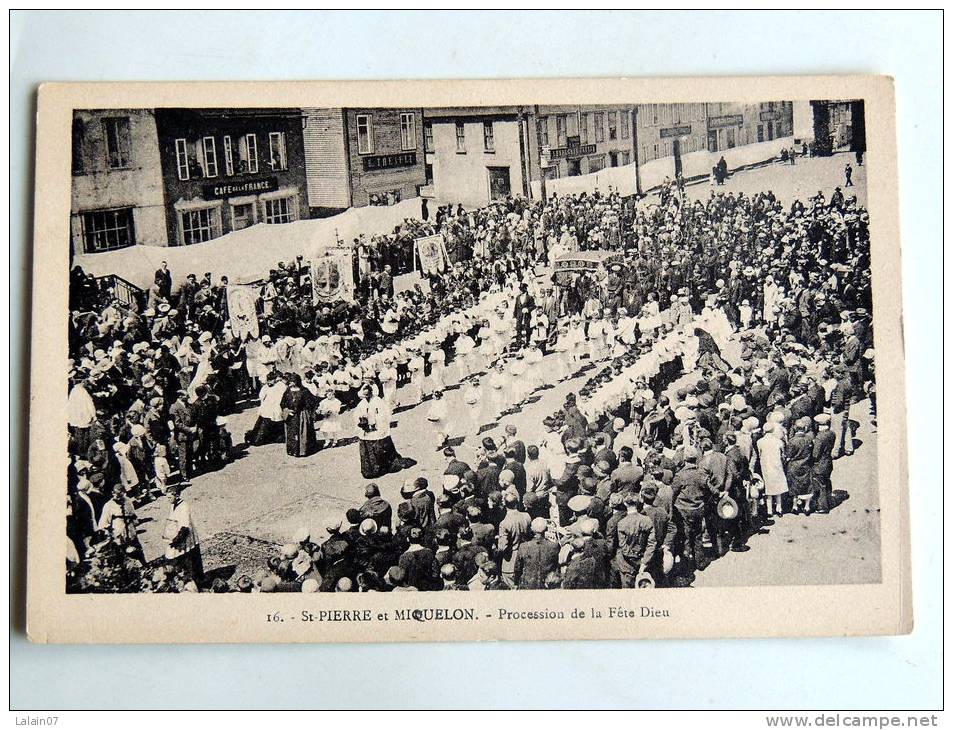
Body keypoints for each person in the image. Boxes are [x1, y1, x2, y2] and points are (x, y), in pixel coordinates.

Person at [354, 383, 404, 479]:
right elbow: (356, 415)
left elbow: (385, 415)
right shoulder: (362, 403)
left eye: (368, 395)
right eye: (365, 396)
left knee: (381, 448)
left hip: (377, 429)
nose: (367, 397)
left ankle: (385, 467)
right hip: (366, 430)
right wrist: (361, 420)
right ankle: (372, 470)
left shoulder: (378, 401)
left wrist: (375, 422)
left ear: (371, 393)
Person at [162, 483, 204, 586]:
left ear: (176, 496)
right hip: (176, 534)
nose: (168, 499)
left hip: (185, 535)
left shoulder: (184, 506)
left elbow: (185, 526)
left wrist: (177, 539)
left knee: (190, 558)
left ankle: (196, 580)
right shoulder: (172, 505)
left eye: (170, 497)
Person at [513, 517, 559, 590]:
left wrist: (516, 582)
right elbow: (556, 566)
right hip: (547, 585)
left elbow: (518, 568)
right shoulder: (554, 546)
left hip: (528, 585)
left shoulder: (524, 546)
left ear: (532, 529)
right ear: (546, 529)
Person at [280, 373, 318, 457]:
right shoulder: (288, 391)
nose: (292, 383)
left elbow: (313, 401)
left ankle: (302, 450)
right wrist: (286, 410)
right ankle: (292, 450)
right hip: (290, 416)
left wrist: (308, 412)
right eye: (291, 381)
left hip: (301, 415)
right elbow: (283, 403)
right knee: (291, 433)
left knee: (302, 432)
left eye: (293, 381)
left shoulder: (304, 391)